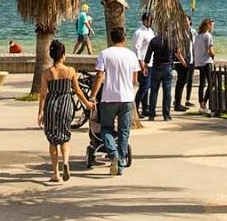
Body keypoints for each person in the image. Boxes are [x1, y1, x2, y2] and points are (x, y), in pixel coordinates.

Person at [37, 39, 93, 182]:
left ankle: (55, 173)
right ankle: (66, 163)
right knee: (65, 136)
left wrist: (40, 112)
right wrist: (87, 104)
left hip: (51, 106)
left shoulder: (47, 73)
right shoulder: (70, 71)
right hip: (66, 104)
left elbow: (43, 94)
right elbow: (78, 91)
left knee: (53, 139)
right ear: (63, 55)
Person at [89, 27, 139, 176]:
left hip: (109, 97)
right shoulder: (131, 55)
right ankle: (121, 162)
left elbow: (99, 76)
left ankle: (113, 153)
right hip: (127, 98)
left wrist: (92, 96)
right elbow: (135, 80)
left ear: (111, 39)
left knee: (106, 128)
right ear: (124, 38)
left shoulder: (105, 54)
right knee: (124, 131)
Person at [144, 29, 180, 121]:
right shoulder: (171, 41)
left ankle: (151, 114)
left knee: (154, 91)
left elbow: (148, 55)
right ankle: (166, 114)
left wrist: (145, 65)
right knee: (167, 92)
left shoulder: (154, 40)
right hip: (167, 67)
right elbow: (176, 53)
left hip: (156, 67)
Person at [132, 13, 155, 116]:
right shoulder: (139, 32)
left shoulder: (150, 31)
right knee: (144, 86)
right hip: (142, 63)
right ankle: (135, 108)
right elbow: (137, 48)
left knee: (148, 86)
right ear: (145, 20)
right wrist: (141, 64)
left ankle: (145, 108)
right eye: (150, 20)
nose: (151, 22)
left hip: (150, 62)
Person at [193, 18, 215, 115]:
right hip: (206, 61)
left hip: (199, 62)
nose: (213, 27)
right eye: (212, 25)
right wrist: (213, 56)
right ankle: (204, 102)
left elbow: (195, 49)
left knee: (202, 84)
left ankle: (201, 104)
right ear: (208, 25)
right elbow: (210, 50)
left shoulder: (198, 36)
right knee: (211, 83)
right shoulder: (208, 36)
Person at [173, 15, 194, 112]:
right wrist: (183, 61)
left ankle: (178, 103)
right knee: (180, 82)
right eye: (184, 21)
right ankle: (177, 104)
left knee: (183, 82)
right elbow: (177, 50)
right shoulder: (180, 33)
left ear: (190, 21)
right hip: (181, 61)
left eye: (187, 21)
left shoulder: (191, 32)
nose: (185, 22)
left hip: (188, 60)